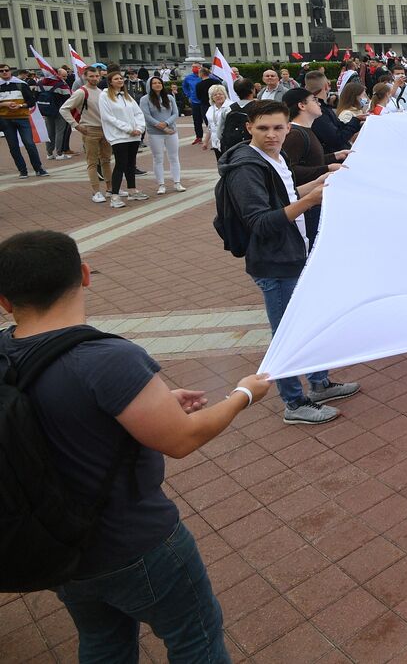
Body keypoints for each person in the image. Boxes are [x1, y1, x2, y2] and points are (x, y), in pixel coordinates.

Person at [0, 230, 273, 663]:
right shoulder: (106, 358)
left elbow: (58, 420)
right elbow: (182, 440)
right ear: (85, 275)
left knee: (103, 641)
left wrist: (151, 405)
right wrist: (242, 395)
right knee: (195, 638)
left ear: (5, 301)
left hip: (60, 546)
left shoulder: (6, 354)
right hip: (136, 543)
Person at [219, 100, 360, 424]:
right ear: (249, 128)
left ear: (287, 127)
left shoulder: (275, 157)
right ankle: (294, 404)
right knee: (287, 333)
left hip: (295, 253)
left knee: (310, 320)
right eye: (264, 128)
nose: (272, 135)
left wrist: (319, 182)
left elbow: (285, 196)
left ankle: (320, 383)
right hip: (274, 262)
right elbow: (260, 222)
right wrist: (310, 200)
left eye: (278, 127)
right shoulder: (246, 168)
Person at [61, 67, 113, 202]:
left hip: (104, 129)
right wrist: (77, 126)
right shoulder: (81, 92)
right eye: (91, 76)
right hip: (90, 130)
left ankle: (110, 188)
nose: (94, 78)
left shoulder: (101, 92)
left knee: (106, 160)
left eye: (97, 76)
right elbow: (64, 109)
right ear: (85, 77)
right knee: (92, 162)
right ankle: (96, 192)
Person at [100, 73, 146, 207]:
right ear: (110, 81)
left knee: (131, 163)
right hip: (118, 136)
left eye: (121, 78)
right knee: (121, 164)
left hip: (134, 136)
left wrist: (139, 128)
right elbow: (108, 117)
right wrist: (127, 129)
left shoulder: (126, 96)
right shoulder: (105, 96)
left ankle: (132, 190)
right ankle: (114, 195)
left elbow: (138, 113)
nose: (120, 80)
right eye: (116, 79)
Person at [0, 63, 47, 179]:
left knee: (29, 144)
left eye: (6, 70)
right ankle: (22, 170)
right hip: (5, 120)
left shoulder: (21, 84)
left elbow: (31, 101)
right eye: (1, 71)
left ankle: (39, 168)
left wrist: (21, 105)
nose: (4, 72)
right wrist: (4, 104)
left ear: (10, 71)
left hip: (22, 118)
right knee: (13, 147)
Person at [139, 77, 184, 195]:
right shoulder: (145, 99)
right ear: (150, 85)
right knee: (158, 158)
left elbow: (175, 113)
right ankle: (161, 184)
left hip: (171, 131)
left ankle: (177, 182)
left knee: (174, 157)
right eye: (154, 83)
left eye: (159, 83)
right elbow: (146, 116)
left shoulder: (169, 97)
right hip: (155, 133)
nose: (157, 85)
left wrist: (167, 123)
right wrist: (161, 126)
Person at [37, 68, 74, 161]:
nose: (65, 78)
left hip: (46, 110)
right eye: (64, 76)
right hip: (60, 111)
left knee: (50, 132)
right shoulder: (61, 85)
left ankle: (49, 153)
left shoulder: (40, 83)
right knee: (59, 132)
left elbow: (36, 96)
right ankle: (59, 153)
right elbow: (68, 98)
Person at [202, 85, 230, 158]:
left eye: (220, 94)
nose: (218, 96)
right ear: (212, 97)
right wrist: (205, 141)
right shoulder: (210, 109)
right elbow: (210, 127)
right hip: (215, 142)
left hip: (228, 142)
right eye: (215, 95)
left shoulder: (230, 106)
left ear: (225, 95)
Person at [182, 67, 205, 144]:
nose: (195, 68)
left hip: (204, 101)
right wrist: (189, 95)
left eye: (197, 67)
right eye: (193, 67)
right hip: (195, 102)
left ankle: (212, 137)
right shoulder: (188, 78)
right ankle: (199, 137)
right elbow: (184, 87)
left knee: (209, 120)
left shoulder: (205, 76)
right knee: (197, 120)